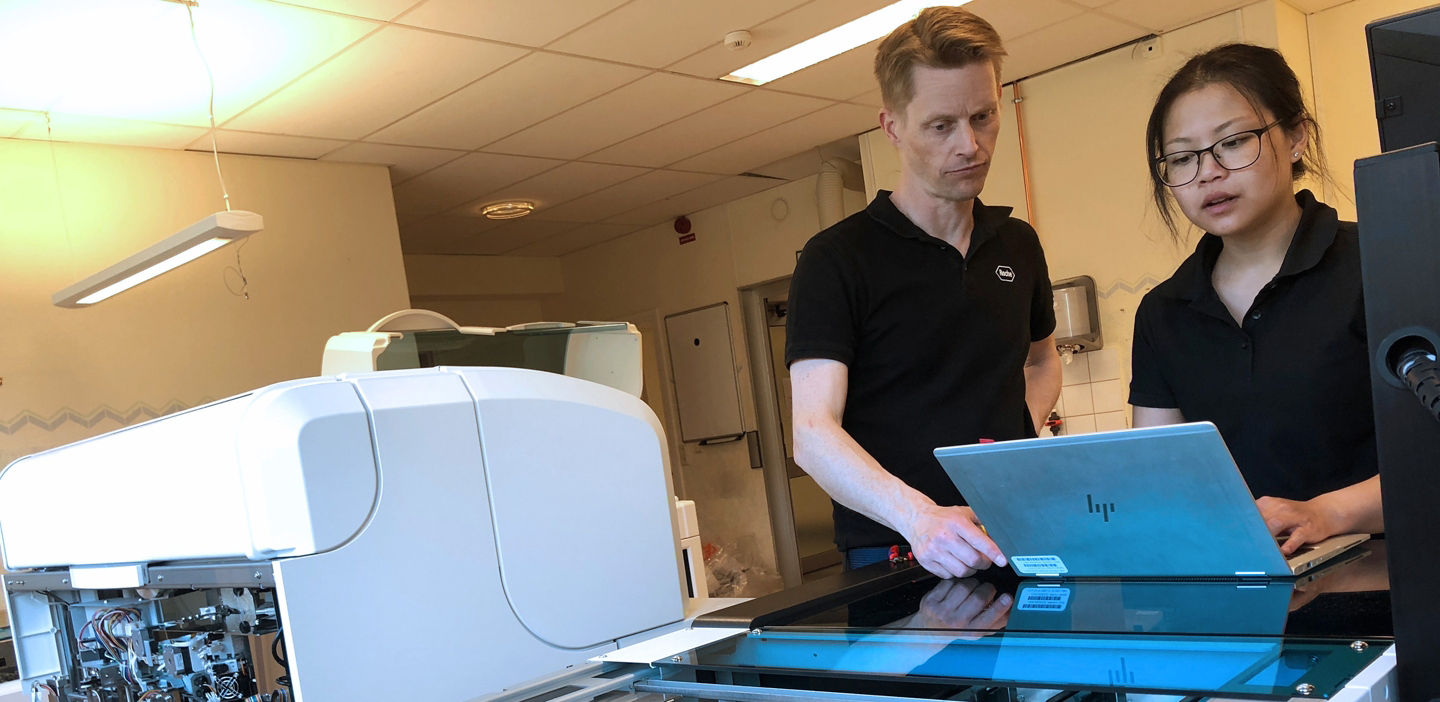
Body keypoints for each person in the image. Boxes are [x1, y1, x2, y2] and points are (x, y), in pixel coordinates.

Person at [786, 6, 1062, 579]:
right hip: (895, 549)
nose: (970, 145)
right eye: (941, 126)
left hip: (1010, 532)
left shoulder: (1017, 244)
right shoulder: (837, 259)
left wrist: (1012, 446)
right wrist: (918, 517)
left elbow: (1042, 360)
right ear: (892, 128)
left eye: (983, 117)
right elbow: (812, 433)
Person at [1129, 43, 1383, 555]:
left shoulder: (1382, 264)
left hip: (1390, 575)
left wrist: (1325, 513)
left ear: (1296, 137)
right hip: (1244, 585)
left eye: (1233, 142)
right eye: (1182, 158)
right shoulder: (1163, 312)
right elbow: (1161, 479)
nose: (1208, 172)